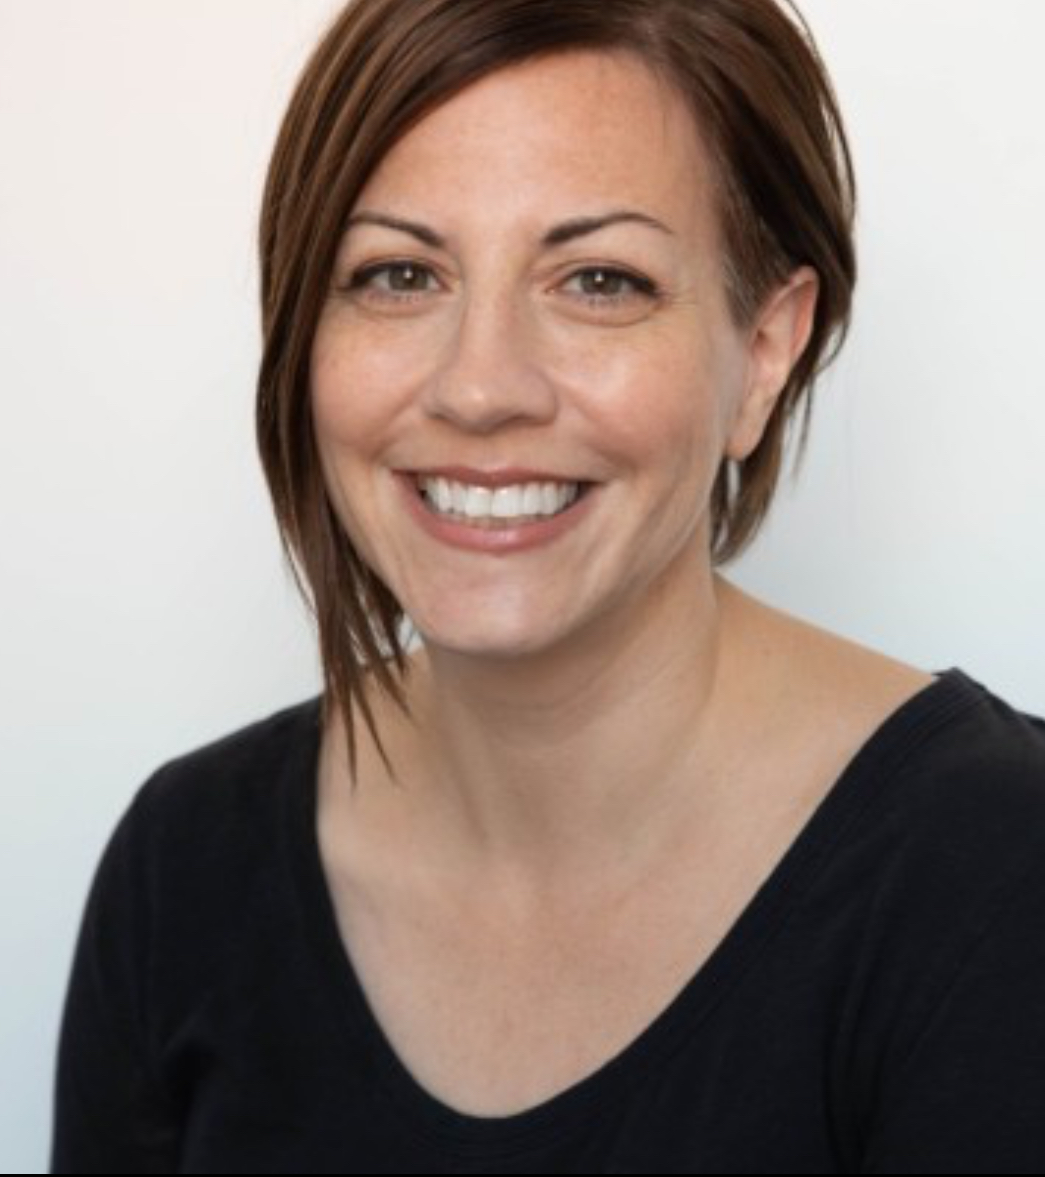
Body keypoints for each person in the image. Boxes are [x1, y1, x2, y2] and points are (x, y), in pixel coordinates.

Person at [51, 0, 1045, 1172]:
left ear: (762, 351)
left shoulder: (993, 871)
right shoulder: (183, 871)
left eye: (600, 282)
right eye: (399, 273)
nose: (481, 388)